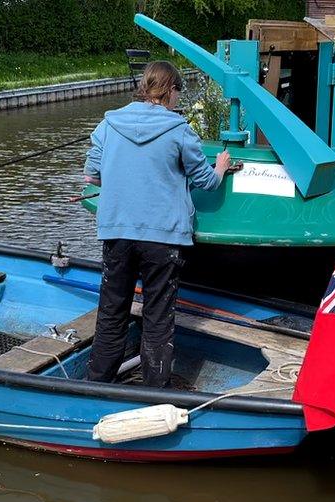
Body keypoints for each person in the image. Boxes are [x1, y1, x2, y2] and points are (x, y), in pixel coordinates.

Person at [82, 60, 234, 388]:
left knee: (111, 313)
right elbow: (205, 181)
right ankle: (154, 392)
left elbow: (92, 175)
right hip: (162, 238)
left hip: (117, 233)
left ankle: (96, 385)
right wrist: (221, 166)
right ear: (171, 91)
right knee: (157, 317)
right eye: (178, 93)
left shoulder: (108, 124)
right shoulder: (179, 130)